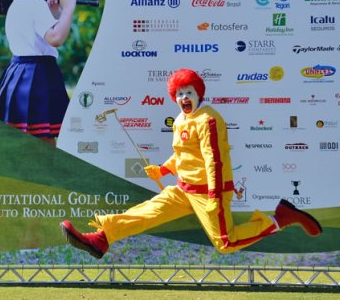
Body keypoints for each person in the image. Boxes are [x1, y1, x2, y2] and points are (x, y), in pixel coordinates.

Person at [60, 69, 322, 259]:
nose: (184, 97)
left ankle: (280, 219)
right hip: (184, 189)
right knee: (146, 212)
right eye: (180, 93)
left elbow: (213, 159)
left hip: (210, 192)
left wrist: (213, 194)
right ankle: (101, 239)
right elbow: (183, 155)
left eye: (189, 92)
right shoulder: (181, 120)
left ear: (199, 94)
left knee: (225, 243)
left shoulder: (208, 119)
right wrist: (163, 169)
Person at [0, 0, 76, 145]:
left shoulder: (19, 3)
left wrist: (53, 14)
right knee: (44, 141)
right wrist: (69, 9)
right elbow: (55, 39)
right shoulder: (35, 5)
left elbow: (39, 39)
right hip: (37, 77)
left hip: (20, 73)